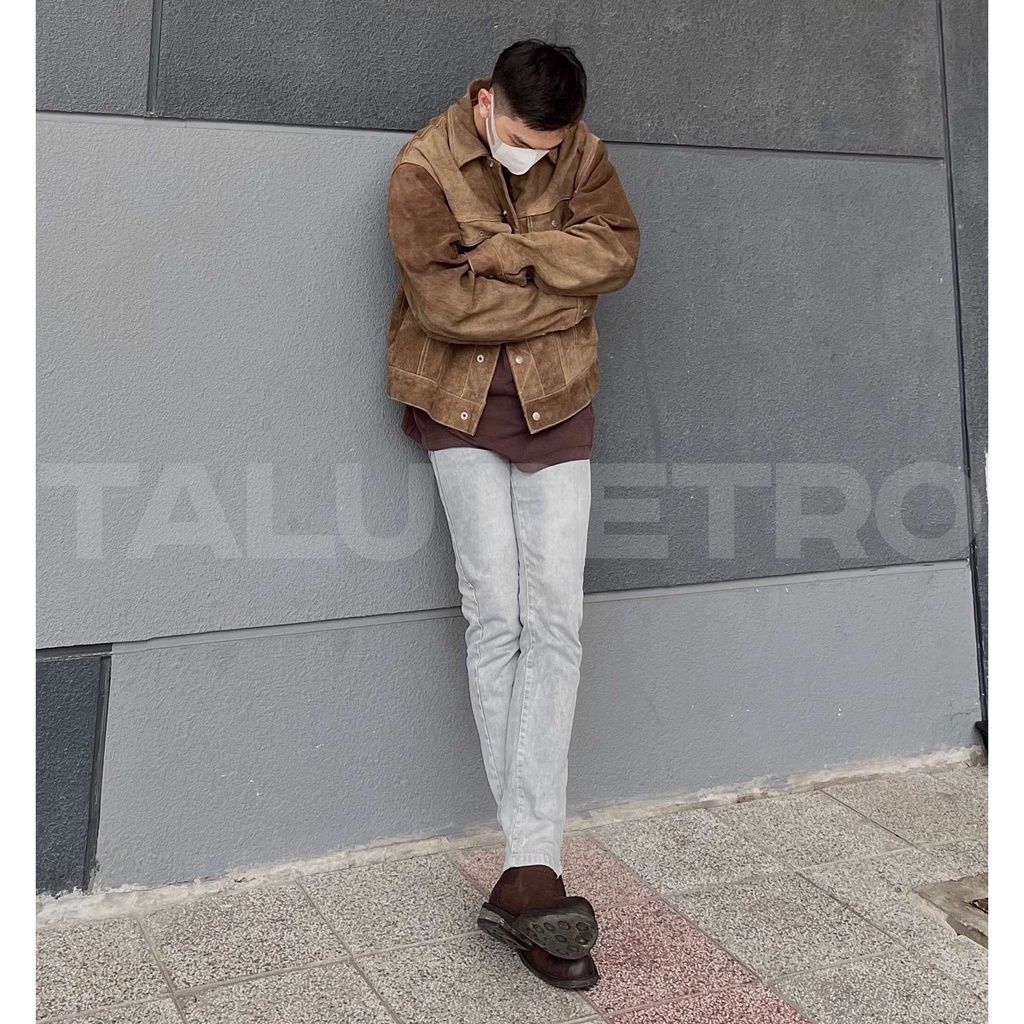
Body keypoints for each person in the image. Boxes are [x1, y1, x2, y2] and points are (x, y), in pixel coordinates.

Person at [385, 39, 640, 989]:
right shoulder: (423, 166)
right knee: (495, 617)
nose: (538, 155)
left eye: (551, 145)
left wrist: (517, 253)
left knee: (557, 622)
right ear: (487, 102)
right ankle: (536, 868)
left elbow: (616, 252)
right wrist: (560, 299)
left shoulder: (581, 150)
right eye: (525, 140)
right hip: (457, 407)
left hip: (557, 403)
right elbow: (446, 310)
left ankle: (530, 869)